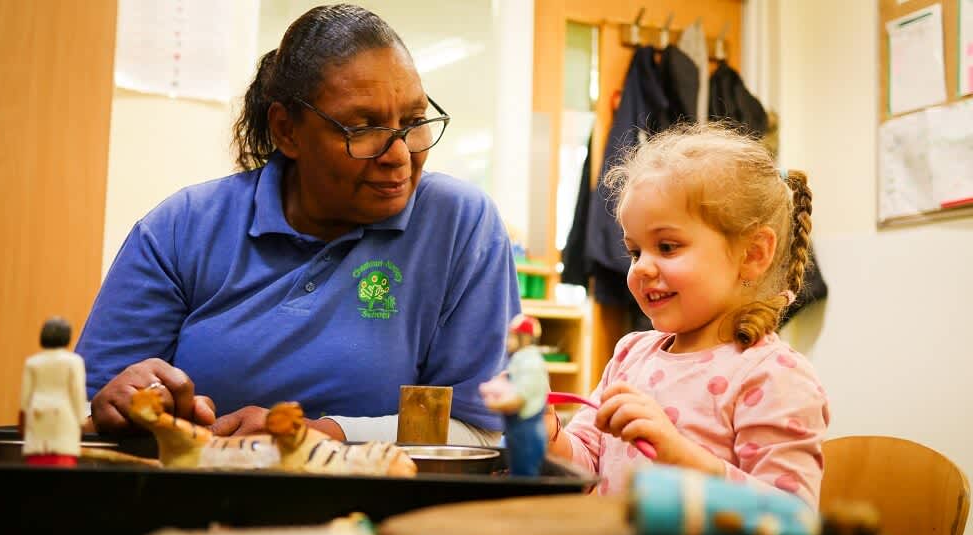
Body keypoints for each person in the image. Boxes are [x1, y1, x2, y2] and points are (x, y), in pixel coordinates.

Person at [76, 4, 519, 444]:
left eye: (415, 122)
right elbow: (81, 414)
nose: (399, 155)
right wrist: (115, 406)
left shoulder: (459, 225)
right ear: (287, 131)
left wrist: (319, 436)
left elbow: (483, 432)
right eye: (362, 129)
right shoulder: (183, 228)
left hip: (385, 507)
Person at [545, 123, 829, 508]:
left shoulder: (773, 376)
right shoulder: (631, 354)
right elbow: (584, 468)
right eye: (635, 251)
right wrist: (546, 431)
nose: (642, 267)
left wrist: (675, 452)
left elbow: (791, 516)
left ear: (753, 253)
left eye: (667, 246)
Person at [479, 314, 549, 476]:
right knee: (517, 470)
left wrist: (494, 404)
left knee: (525, 475)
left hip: (527, 430)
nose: (507, 341)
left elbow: (519, 399)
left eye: (511, 336)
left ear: (524, 338)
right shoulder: (520, 359)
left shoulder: (530, 363)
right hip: (517, 428)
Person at [20, 317, 88, 466]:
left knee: (38, 452)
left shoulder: (32, 362)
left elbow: (26, 395)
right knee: (62, 450)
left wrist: (23, 417)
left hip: (37, 409)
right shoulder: (74, 361)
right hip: (64, 410)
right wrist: (81, 419)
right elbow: (77, 392)